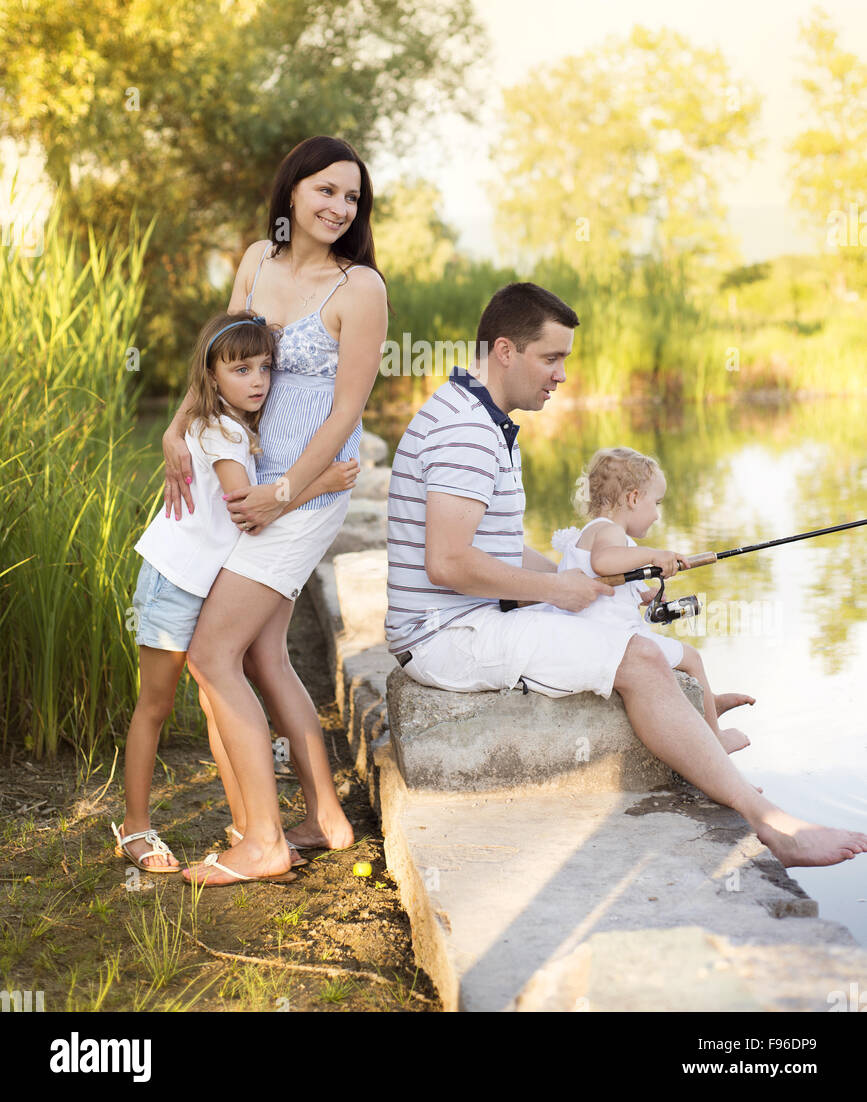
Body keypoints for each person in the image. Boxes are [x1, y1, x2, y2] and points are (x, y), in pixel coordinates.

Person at [385, 281, 867, 869]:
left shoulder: (477, 415)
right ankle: (772, 825)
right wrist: (557, 590)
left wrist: (580, 573)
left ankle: (704, 727)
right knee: (638, 658)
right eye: (552, 358)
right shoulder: (467, 430)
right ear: (506, 350)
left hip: (466, 618)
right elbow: (448, 563)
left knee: (626, 634)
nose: (562, 374)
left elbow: (501, 551)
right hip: (443, 634)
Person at [161, 136, 388, 887]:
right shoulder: (258, 259)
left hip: (303, 492)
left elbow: (346, 413)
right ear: (292, 191)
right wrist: (175, 428)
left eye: (351, 197)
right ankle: (323, 816)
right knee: (258, 654)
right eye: (325, 190)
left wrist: (291, 490)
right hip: (250, 483)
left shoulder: (361, 290)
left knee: (211, 653)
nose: (338, 207)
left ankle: (262, 845)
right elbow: (219, 361)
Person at [113, 310, 358, 874]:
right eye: (241, 368)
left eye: (266, 367)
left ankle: (253, 826)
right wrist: (318, 481)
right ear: (212, 373)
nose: (258, 381)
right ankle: (135, 826)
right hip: (174, 582)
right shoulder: (220, 430)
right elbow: (248, 510)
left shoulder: (231, 423)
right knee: (156, 703)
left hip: (203, 582)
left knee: (212, 692)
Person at [545, 445, 754, 755]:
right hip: (611, 642)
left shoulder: (591, 532)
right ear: (632, 498)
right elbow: (604, 562)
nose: (657, 514)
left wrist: (641, 594)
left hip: (597, 634)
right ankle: (715, 737)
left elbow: (602, 578)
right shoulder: (610, 533)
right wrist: (656, 554)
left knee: (684, 660)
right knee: (692, 658)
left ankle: (710, 702)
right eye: (656, 503)